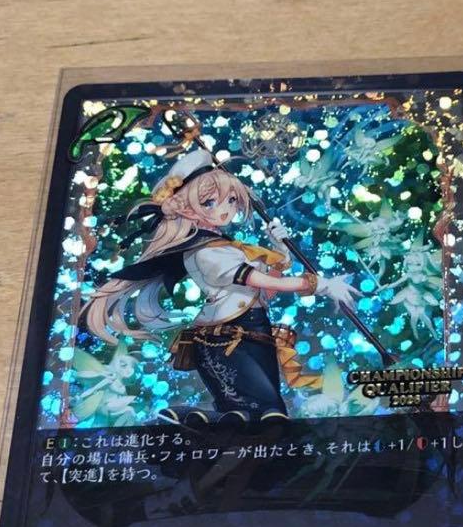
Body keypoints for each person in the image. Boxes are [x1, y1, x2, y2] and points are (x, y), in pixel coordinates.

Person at [80, 150, 353, 425]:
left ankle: (190, 420)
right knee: (264, 412)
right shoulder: (206, 252)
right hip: (224, 341)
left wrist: (279, 248)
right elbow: (265, 282)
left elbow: (264, 293)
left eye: (231, 200)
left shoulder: (228, 247)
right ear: (187, 209)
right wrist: (319, 285)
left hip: (255, 331)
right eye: (210, 202)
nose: (226, 209)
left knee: (263, 413)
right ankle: (184, 420)